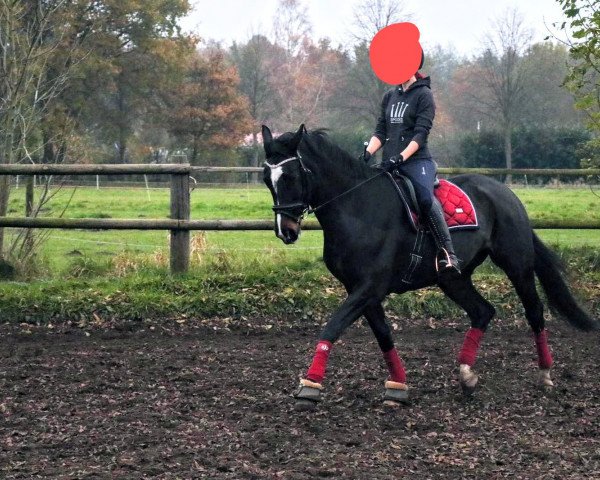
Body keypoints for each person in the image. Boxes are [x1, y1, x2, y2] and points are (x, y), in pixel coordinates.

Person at [361, 51, 460, 275]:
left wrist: (401, 157)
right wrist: (368, 152)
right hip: (390, 162)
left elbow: (420, 134)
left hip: (417, 162)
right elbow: (381, 131)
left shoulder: (424, 95)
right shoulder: (389, 96)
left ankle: (448, 253)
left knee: (425, 199)